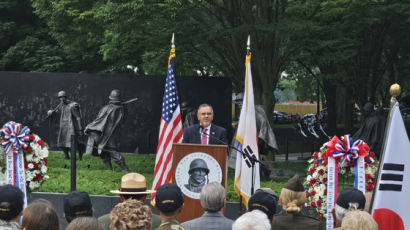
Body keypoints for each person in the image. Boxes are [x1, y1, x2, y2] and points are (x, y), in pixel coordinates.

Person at [85, 89, 129, 171]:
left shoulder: (110, 108)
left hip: (107, 134)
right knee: (102, 151)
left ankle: (125, 169)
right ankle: (109, 169)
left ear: (110, 98)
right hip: (107, 133)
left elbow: (99, 120)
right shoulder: (122, 109)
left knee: (112, 151)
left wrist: (89, 126)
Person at [47, 90, 83, 160]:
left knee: (73, 142)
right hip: (63, 126)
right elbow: (57, 112)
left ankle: (79, 157)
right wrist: (50, 112)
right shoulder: (61, 105)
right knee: (61, 142)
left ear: (66, 97)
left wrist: (80, 127)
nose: (61, 99)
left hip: (71, 126)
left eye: (63, 97)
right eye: (60, 97)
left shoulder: (72, 106)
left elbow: (78, 117)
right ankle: (66, 156)